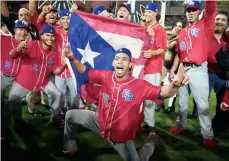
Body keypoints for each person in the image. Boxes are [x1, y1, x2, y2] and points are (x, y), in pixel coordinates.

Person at [62, 46, 189, 161]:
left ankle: (153, 141)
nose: (120, 61)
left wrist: (175, 85)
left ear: (130, 65)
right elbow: (85, 71)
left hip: (119, 136)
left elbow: (163, 92)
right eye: (117, 58)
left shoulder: (139, 85)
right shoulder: (106, 76)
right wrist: (72, 58)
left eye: (124, 59)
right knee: (70, 115)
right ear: (113, 63)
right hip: (99, 121)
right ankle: (70, 147)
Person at [169, 0, 216, 149]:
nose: (190, 12)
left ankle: (207, 135)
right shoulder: (182, 32)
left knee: (202, 105)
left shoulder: (205, 24)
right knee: (182, 103)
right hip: (183, 67)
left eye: (194, 9)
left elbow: (210, 8)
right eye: (188, 10)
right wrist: (173, 69)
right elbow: (179, 54)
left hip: (198, 68)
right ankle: (181, 125)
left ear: (199, 11)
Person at [8, 25, 66, 133]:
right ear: (42, 36)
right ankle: (18, 121)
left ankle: (55, 117)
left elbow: (56, 71)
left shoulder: (54, 53)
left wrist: (64, 63)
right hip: (24, 81)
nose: (50, 38)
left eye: (52, 36)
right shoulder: (32, 45)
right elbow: (12, 55)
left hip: (42, 81)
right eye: (47, 35)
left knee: (57, 94)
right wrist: (18, 49)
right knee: (13, 99)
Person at [1, 20, 29, 139]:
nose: (22, 32)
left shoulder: (30, 44)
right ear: (15, 30)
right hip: (3, 75)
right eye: (20, 29)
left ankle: (18, 120)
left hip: (18, 78)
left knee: (15, 102)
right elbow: (12, 53)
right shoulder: (4, 39)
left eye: (25, 29)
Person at [141, 2, 167, 132]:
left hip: (152, 69)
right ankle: (142, 122)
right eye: (146, 12)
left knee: (150, 99)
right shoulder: (143, 27)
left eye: (150, 12)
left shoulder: (160, 29)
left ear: (156, 13)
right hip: (141, 68)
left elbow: (162, 49)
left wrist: (152, 52)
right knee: (140, 98)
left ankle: (150, 124)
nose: (147, 14)